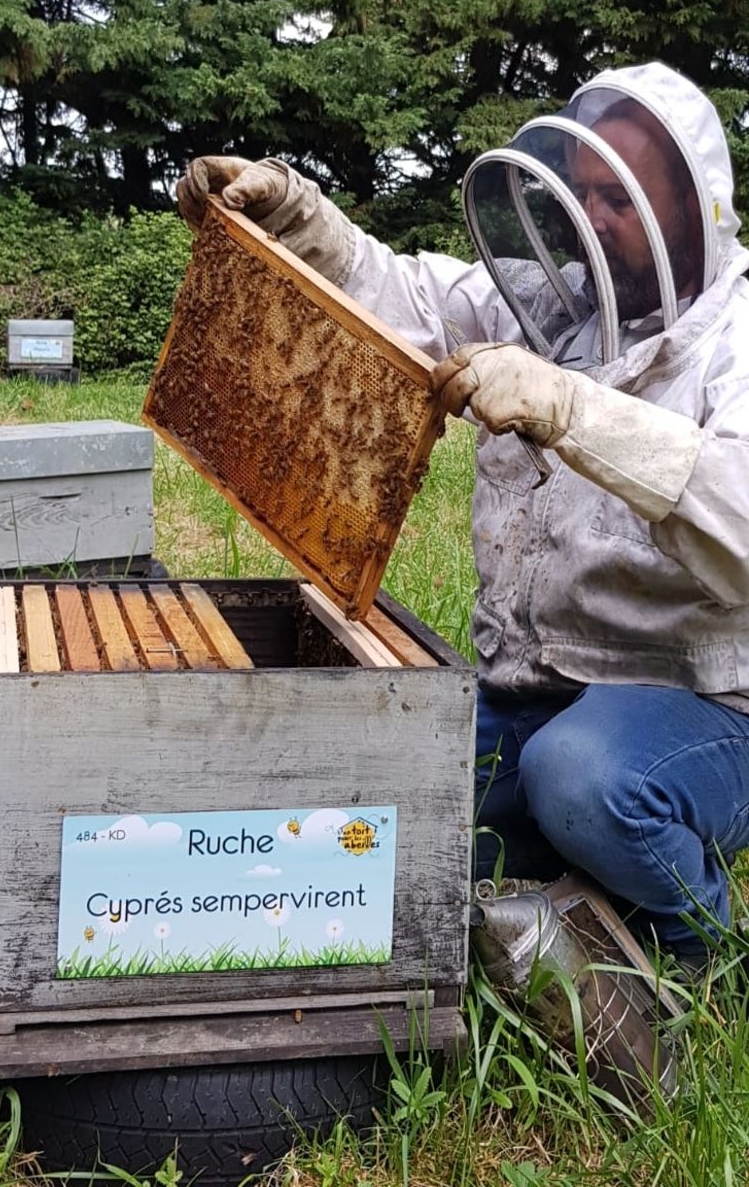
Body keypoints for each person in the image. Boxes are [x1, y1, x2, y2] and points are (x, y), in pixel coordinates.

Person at [177, 62, 749, 964]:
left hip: (695, 708)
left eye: (625, 200)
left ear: (695, 212)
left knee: (581, 777)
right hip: (529, 692)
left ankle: (702, 938)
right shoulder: (545, 308)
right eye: (589, 195)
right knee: (389, 796)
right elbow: (400, 292)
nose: (597, 218)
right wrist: (294, 213)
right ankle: (583, 873)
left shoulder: (734, 345)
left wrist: (574, 412)